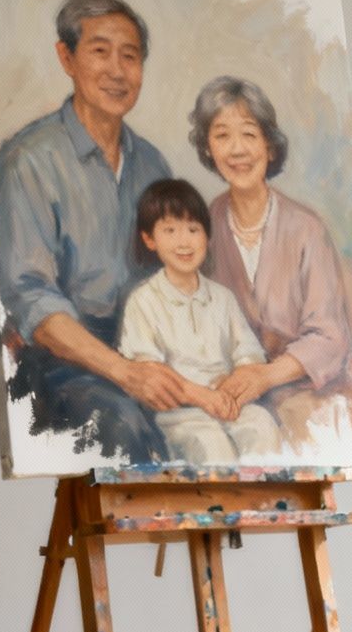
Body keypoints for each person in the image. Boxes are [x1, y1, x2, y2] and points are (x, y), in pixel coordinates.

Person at [0, 0, 187, 461]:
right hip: (61, 358)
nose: (118, 71)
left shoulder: (152, 165)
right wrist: (124, 371)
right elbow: (32, 300)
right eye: (100, 52)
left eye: (131, 56)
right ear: (67, 57)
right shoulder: (28, 160)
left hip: (144, 350)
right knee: (127, 428)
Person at [185, 77, 352, 430]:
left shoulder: (306, 228)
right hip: (229, 400)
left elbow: (331, 338)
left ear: (270, 146)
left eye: (249, 134)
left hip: (306, 396)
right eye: (221, 136)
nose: (237, 150)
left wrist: (266, 377)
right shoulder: (201, 228)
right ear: (208, 150)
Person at [117, 180, 281, 464]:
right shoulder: (144, 301)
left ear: (207, 236)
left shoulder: (222, 298)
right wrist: (203, 397)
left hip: (229, 403)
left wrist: (232, 386)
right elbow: (149, 372)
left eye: (193, 229)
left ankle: (267, 506)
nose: (184, 242)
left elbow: (249, 356)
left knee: (262, 426)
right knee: (210, 444)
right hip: (178, 413)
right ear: (149, 239)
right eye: (170, 230)